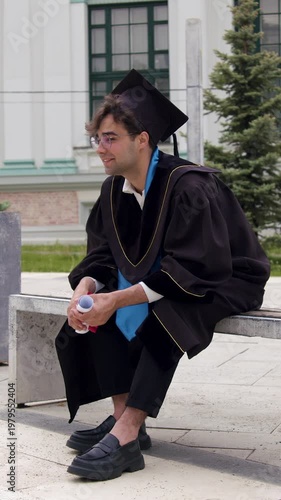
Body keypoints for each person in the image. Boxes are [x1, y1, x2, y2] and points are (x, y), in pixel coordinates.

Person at [56, 69, 270, 481]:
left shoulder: (188, 186)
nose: (100, 148)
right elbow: (104, 255)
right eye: (97, 139)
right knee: (95, 315)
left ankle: (127, 433)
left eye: (110, 138)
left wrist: (119, 297)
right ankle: (123, 419)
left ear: (143, 138)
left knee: (168, 314)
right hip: (171, 275)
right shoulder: (112, 189)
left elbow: (196, 267)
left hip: (224, 277)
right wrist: (88, 287)